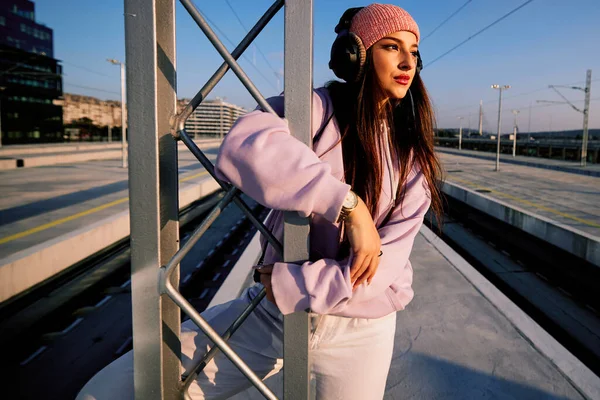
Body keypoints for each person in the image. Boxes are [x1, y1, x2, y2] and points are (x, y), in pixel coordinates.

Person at [76, 3, 443, 399]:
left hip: (360, 330)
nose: (408, 60)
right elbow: (245, 146)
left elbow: (384, 268)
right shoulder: (316, 109)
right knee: (113, 391)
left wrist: (296, 282)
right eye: (391, 46)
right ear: (355, 55)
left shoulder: (413, 155)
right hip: (275, 317)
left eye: (414, 50)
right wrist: (348, 205)